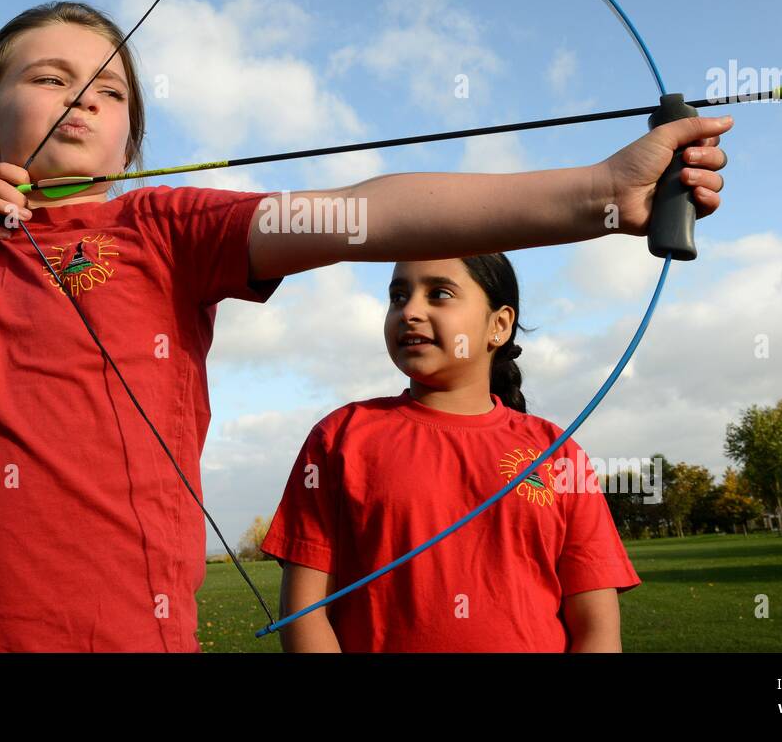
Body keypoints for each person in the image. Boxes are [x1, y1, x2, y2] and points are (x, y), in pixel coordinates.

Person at [0, 0, 730, 652]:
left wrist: (600, 197)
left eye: (109, 91)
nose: (83, 99)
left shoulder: (164, 230)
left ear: (131, 147)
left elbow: (357, 216)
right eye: (50, 78)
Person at [262, 253, 640, 652]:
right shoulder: (340, 438)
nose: (410, 311)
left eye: (439, 294)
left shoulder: (557, 453)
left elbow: (596, 629)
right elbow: (304, 611)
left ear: (499, 325)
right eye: (398, 296)